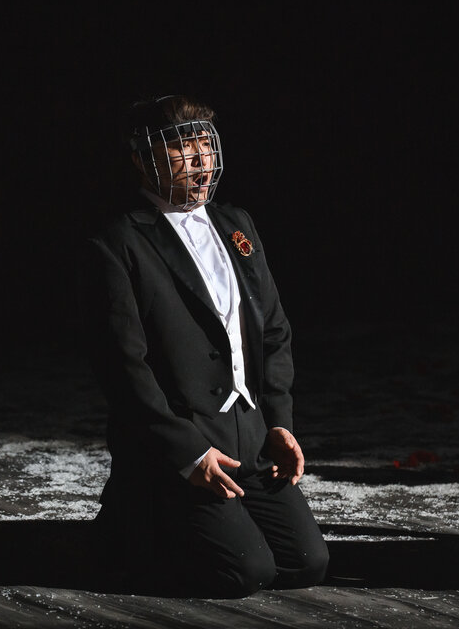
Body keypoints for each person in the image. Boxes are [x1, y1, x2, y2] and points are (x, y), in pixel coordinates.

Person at [81, 95, 328, 598]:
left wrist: (279, 422)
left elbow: (274, 331)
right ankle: (137, 525)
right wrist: (188, 454)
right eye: (182, 149)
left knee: (306, 563)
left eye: (205, 147)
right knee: (246, 573)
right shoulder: (119, 241)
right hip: (179, 442)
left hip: (249, 436)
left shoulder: (237, 224)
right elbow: (123, 365)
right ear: (142, 160)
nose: (200, 162)